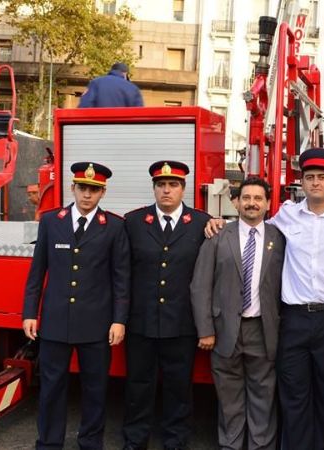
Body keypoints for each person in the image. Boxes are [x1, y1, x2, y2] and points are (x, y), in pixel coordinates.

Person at [206, 148, 324, 449]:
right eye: (310, 177)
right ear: (301, 182)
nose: (316, 183)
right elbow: (251, 226)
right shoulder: (286, 215)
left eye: (322, 177)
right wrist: (215, 222)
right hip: (295, 319)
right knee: (294, 394)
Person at [22, 162, 130, 450]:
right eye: (82, 188)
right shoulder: (50, 221)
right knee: (51, 388)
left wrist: (119, 320)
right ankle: (48, 443)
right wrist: (30, 313)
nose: (87, 195)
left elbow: (121, 278)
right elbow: (37, 272)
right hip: (55, 322)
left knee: (95, 389)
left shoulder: (115, 227)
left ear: (102, 193)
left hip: (96, 325)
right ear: (72, 188)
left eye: (94, 190)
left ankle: (91, 442)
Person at [190, 177, 285, 450]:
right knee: (229, 398)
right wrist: (205, 329)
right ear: (236, 202)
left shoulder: (279, 238)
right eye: (246, 198)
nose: (252, 203)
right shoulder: (218, 235)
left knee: (263, 396)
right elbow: (200, 285)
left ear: (268, 204)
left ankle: (260, 446)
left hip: (263, 330)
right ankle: (230, 446)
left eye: (258, 198)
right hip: (224, 330)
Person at [122, 161, 211, 450]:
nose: (166, 190)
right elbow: (123, 274)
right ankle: (135, 440)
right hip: (141, 322)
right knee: (138, 386)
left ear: (183, 188)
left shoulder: (202, 223)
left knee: (178, 388)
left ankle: (175, 441)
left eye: (173, 185)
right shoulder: (134, 222)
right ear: (154, 189)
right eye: (161, 185)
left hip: (181, 323)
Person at [79, 62, 144, 108]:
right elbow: (139, 114)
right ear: (125, 74)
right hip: (122, 126)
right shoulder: (133, 88)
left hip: (98, 126)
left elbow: (84, 106)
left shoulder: (96, 83)